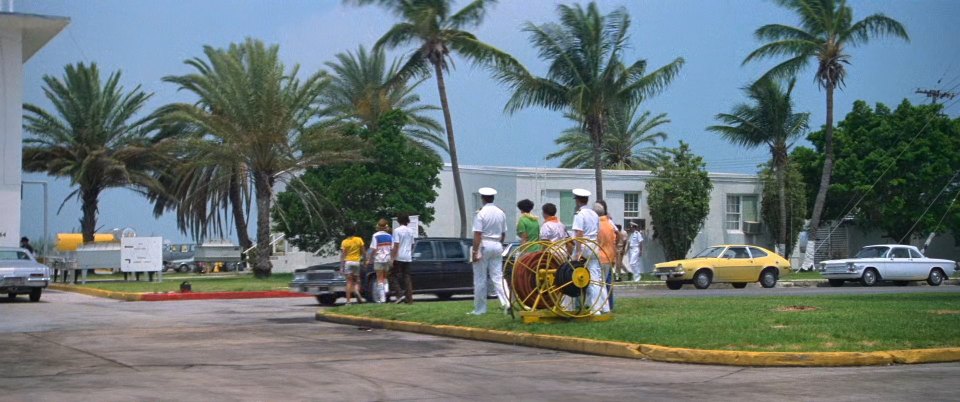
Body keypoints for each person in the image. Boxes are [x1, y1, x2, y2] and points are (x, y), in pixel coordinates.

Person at [469, 187, 510, 315]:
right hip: (497, 244)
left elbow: (477, 234)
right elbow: (503, 234)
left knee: (480, 278)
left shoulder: (480, 213)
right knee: (498, 277)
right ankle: (507, 303)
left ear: (482, 198)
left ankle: (480, 309)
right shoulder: (500, 213)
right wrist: (499, 244)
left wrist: (475, 251)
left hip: (484, 244)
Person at [571, 189, 609, 314]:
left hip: (584, 246)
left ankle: (571, 305)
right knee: (596, 278)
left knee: (570, 272)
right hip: (594, 245)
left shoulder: (579, 215)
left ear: (577, 200)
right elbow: (597, 232)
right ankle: (600, 307)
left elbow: (579, 234)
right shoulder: (594, 214)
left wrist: (577, 253)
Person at [594, 201, 618, 311]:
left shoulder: (596, 224)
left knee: (598, 283)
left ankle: (601, 307)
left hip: (600, 255)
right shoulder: (609, 222)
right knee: (607, 282)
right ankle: (610, 305)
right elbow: (618, 234)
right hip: (609, 255)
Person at [390, 214, 416, 304]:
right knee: (407, 277)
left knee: (393, 275)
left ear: (398, 221)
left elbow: (396, 245)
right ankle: (409, 299)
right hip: (408, 257)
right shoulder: (410, 231)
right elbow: (412, 244)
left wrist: (392, 258)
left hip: (399, 256)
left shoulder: (397, 231)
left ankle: (399, 294)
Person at [366, 219, 393, 303]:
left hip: (378, 259)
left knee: (379, 278)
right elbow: (392, 249)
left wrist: (369, 259)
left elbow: (373, 249)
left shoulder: (375, 236)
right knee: (385, 277)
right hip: (387, 258)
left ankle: (382, 298)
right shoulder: (390, 236)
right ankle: (386, 290)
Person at [340, 225, 365, 304]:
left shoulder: (344, 242)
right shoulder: (359, 240)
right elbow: (363, 251)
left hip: (348, 262)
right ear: (355, 231)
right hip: (356, 262)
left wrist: (341, 266)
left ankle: (348, 301)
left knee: (349, 282)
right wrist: (365, 260)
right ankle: (357, 292)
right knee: (357, 280)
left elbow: (343, 255)